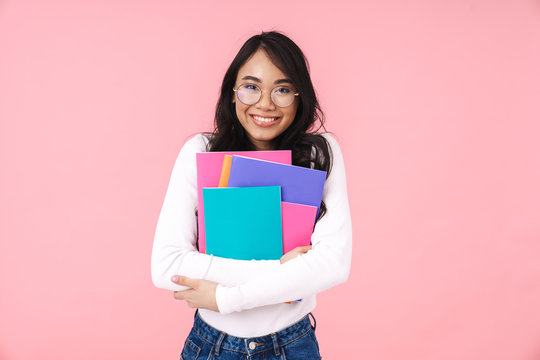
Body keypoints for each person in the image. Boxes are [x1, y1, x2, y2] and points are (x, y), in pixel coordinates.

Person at [151, 31, 352, 359]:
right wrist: (287, 273)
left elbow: (333, 265)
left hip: (293, 344)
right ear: (232, 93)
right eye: (251, 86)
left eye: (282, 89)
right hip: (211, 346)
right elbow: (167, 266)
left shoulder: (320, 154)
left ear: (299, 96)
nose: (265, 103)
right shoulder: (200, 151)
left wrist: (226, 299)